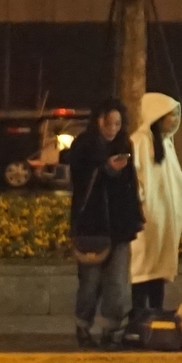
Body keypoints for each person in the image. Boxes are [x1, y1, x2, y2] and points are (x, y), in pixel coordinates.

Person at [63, 98, 140, 347]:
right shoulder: (84, 146)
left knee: (117, 283)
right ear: (99, 121)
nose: (114, 129)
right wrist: (104, 168)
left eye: (118, 123)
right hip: (92, 226)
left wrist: (135, 218)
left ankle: (111, 329)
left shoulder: (123, 144)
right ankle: (83, 327)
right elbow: (80, 180)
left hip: (119, 226)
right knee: (90, 282)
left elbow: (130, 185)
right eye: (110, 123)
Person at [128, 90, 182, 313]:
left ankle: (156, 313)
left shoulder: (166, 144)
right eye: (169, 115)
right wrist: (143, 206)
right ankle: (139, 315)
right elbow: (134, 181)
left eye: (176, 114)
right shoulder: (139, 142)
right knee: (143, 268)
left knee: (159, 269)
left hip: (164, 220)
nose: (174, 120)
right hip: (147, 218)